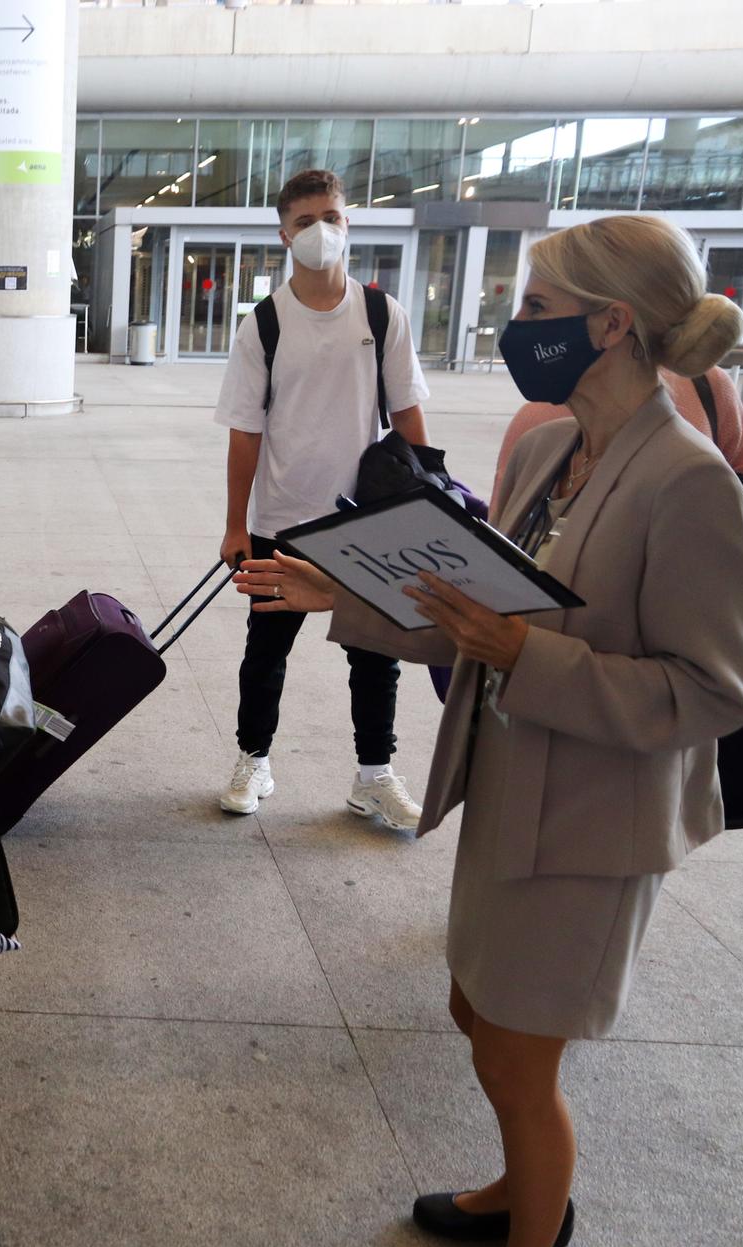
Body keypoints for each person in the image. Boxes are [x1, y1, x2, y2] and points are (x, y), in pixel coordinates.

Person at [235, 213, 743, 1247]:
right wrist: (343, 594)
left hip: (593, 822)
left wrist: (532, 657)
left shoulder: (688, 482)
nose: (512, 328)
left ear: (609, 323)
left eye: (532, 309)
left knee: (522, 1056)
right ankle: (527, 1191)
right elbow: (482, 614)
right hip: (508, 788)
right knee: (477, 1006)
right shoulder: (542, 447)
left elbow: (713, 691)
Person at [212, 168, 432, 829]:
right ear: (284, 234)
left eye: (331, 217)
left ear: (349, 224)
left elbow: (409, 417)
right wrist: (235, 526)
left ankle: (375, 776)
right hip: (283, 519)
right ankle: (254, 758)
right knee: (266, 654)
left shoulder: (380, 313)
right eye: (306, 221)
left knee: (376, 653)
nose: (320, 231)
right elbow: (245, 433)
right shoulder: (265, 325)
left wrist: (430, 507)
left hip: (365, 521)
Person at [493, 364, 743, 506]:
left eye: (538, 306)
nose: (520, 322)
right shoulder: (533, 431)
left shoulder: (707, 385)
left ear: (614, 321)